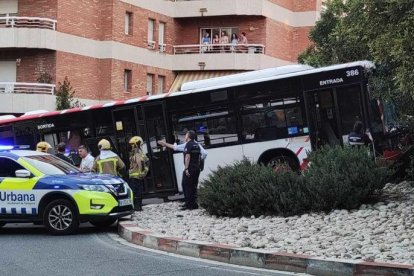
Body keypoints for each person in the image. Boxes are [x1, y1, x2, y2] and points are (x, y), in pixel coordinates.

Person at [158, 131, 203, 210]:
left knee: (186, 185)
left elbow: (187, 157)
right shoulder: (197, 145)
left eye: (186, 135)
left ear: (188, 136)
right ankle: (194, 204)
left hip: (190, 168)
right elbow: (201, 156)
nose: (184, 136)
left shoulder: (188, 145)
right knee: (193, 186)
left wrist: (186, 169)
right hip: (197, 168)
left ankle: (189, 205)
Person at [128, 136, 149, 211]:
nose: (131, 146)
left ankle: (137, 207)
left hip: (136, 176)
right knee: (138, 191)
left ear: (136, 144)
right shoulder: (139, 151)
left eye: (132, 144)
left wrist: (141, 172)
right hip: (136, 175)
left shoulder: (136, 152)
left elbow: (139, 162)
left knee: (136, 191)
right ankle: (138, 206)